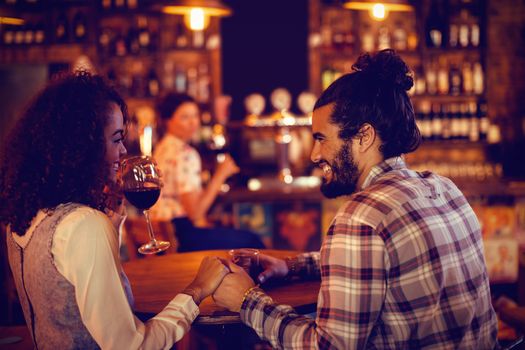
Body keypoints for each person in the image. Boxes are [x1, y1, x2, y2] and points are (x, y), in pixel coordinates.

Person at [212, 50, 498, 349]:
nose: (314, 154)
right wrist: (293, 267)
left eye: (322, 138)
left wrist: (247, 301)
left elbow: (329, 346)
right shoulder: (444, 189)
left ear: (364, 137)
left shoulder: (361, 219)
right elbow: (381, 262)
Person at [0, 71, 229, 349]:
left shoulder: (24, 216)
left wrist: (112, 216)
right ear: (83, 146)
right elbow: (132, 345)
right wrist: (198, 289)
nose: (123, 151)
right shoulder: (83, 225)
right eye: (116, 138)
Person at [150, 92, 264, 252]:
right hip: (181, 234)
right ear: (168, 121)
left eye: (195, 115)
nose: (193, 122)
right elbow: (195, 212)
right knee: (252, 240)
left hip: (163, 232)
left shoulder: (162, 148)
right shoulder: (185, 153)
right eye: (184, 117)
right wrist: (221, 175)